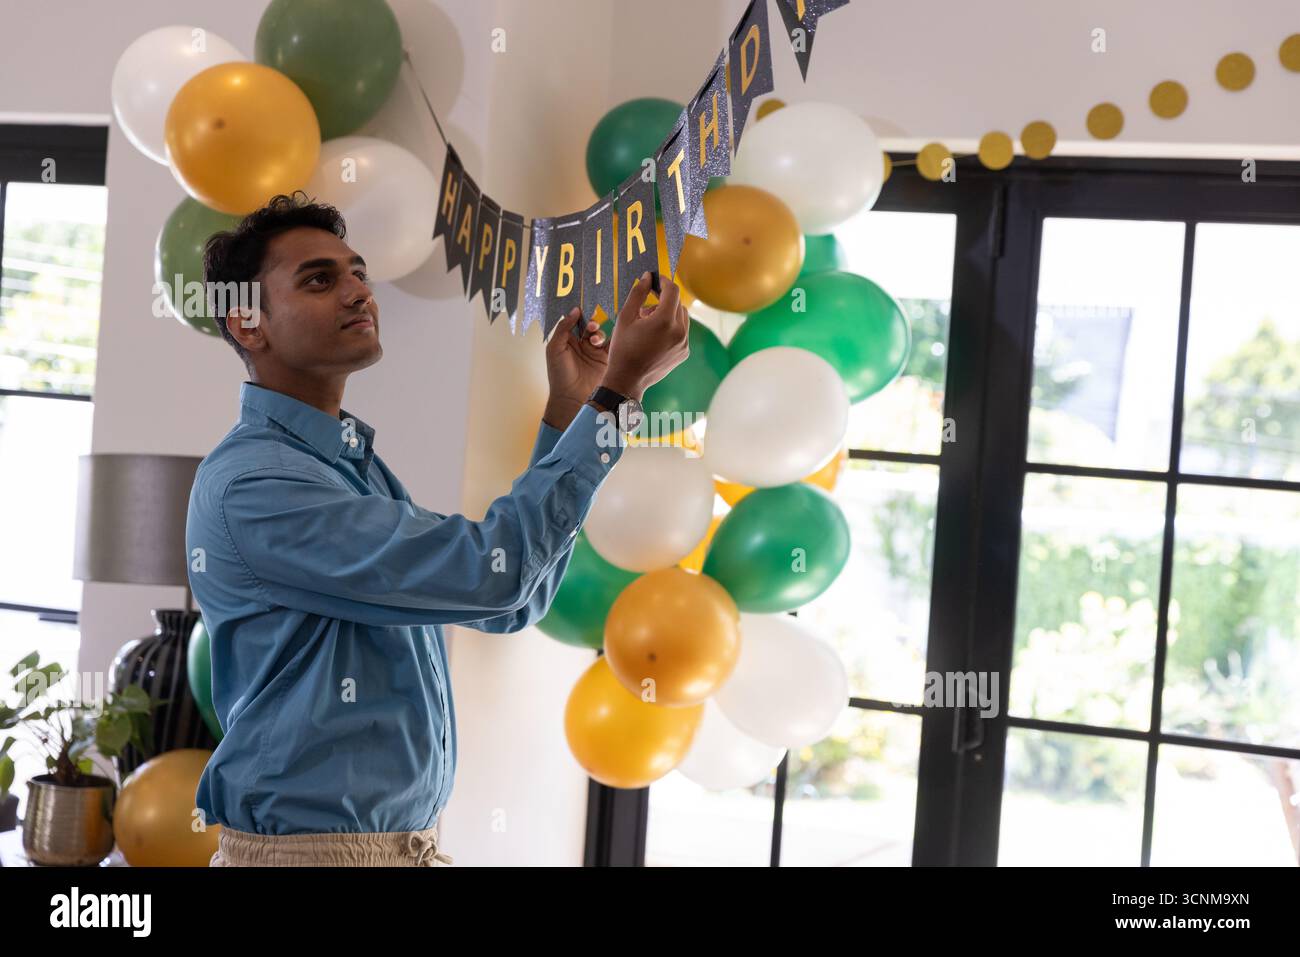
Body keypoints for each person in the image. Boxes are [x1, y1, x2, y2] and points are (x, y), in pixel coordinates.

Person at [185, 192, 689, 866]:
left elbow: (513, 599)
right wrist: (617, 397)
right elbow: (494, 574)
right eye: (319, 279)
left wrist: (573, 407)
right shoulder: (259, 485)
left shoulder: (347, 465)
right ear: (249, 324)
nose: (358, 291)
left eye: (358, 271)